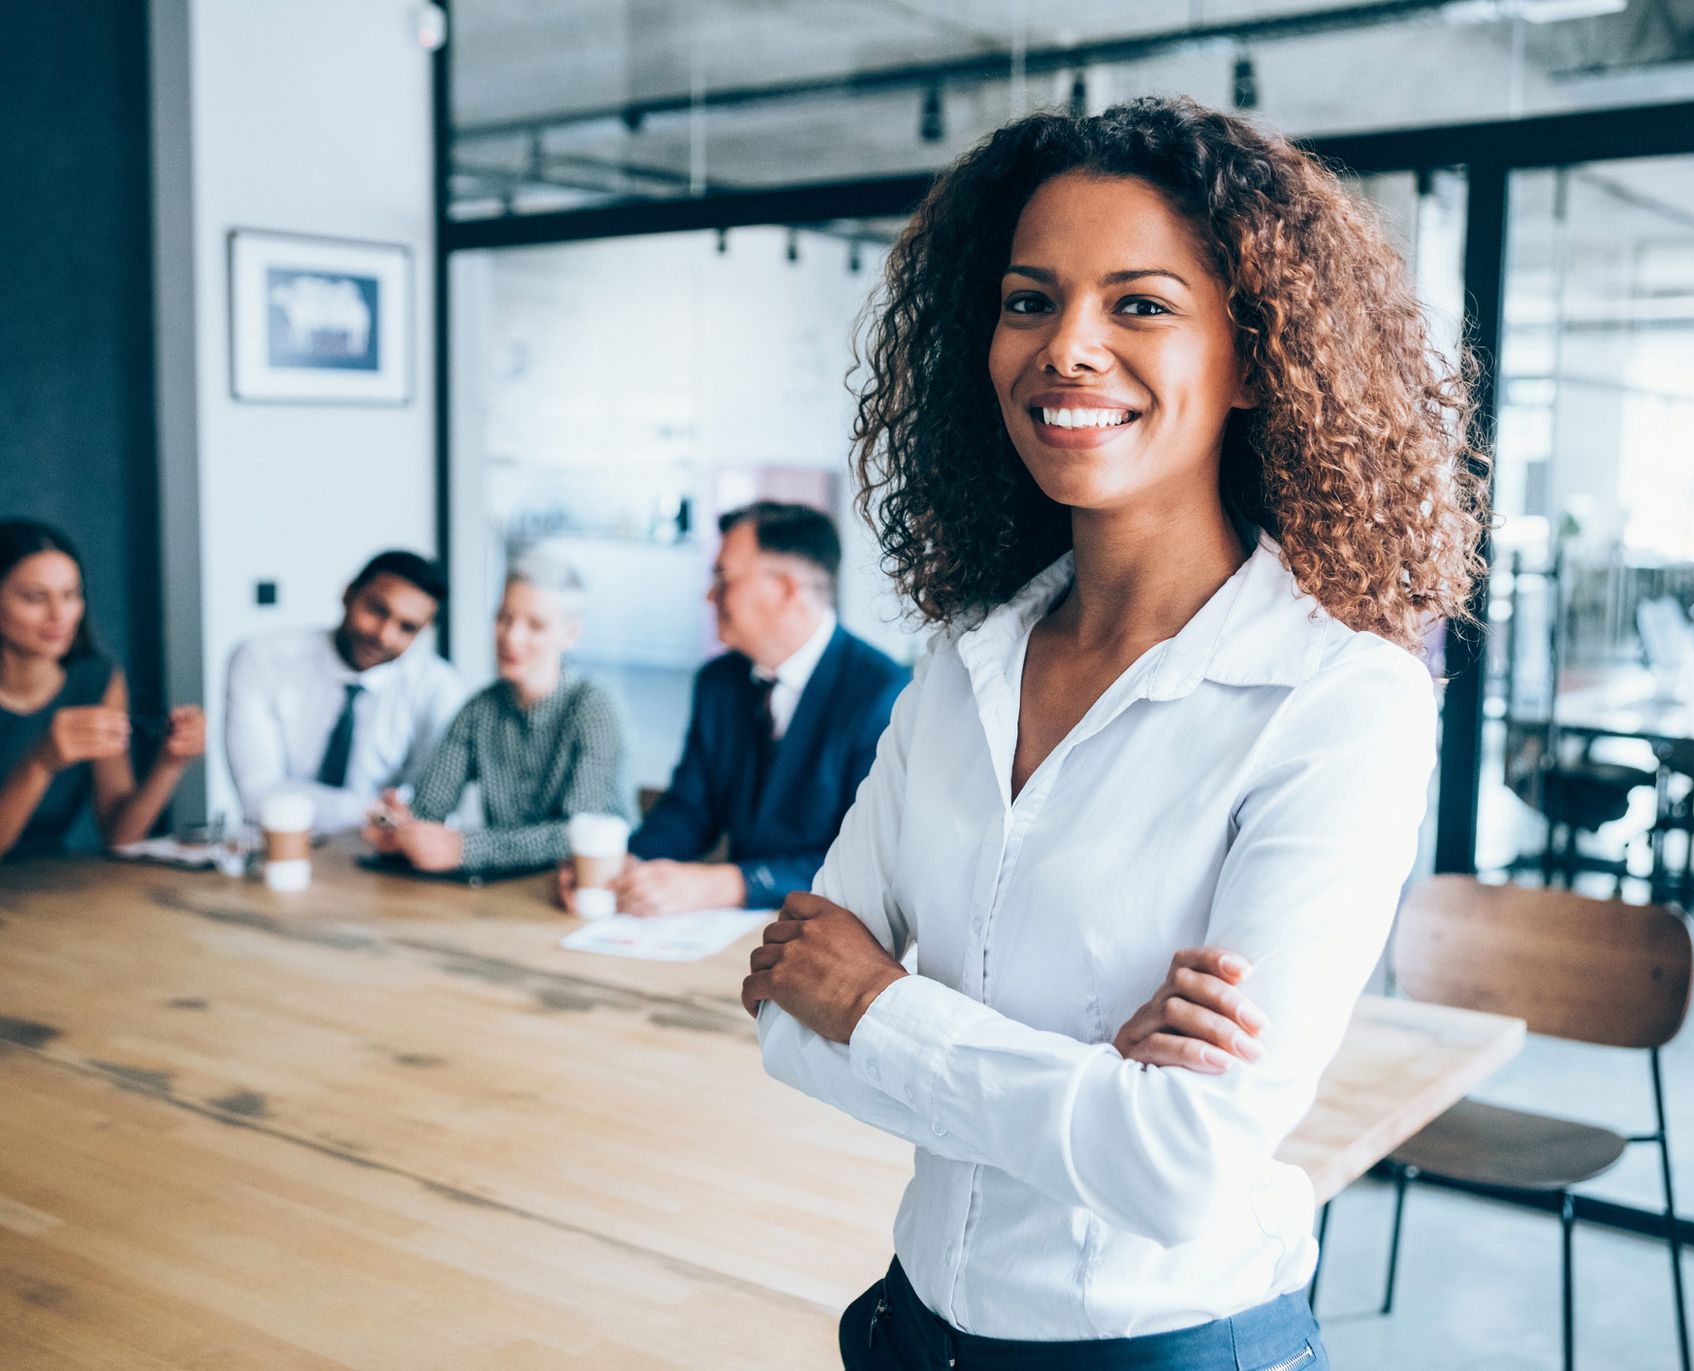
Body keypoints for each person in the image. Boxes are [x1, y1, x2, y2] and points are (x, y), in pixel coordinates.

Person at [739, 98, 1486, 1370]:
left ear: (1256, 357)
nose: (1067, 348)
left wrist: (885, 1001)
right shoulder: (965, 659)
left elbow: (1182, 1168)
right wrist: (1088, 1079)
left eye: (1138, 304)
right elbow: (785, 1017)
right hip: (915, 1331)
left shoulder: (1337, 700)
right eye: (1030, 302)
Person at [556, 502, 907, 916]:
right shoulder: (718, 682)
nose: (709, 595)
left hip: (834, 937)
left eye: (724, 579)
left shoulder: (884, 694)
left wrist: (728, 884)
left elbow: (872, 863)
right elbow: (690, 808)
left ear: (788, 590)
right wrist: (629, 866)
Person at [364, 553, 631, 874]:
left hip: (588, 889)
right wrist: (401, 828)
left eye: (535, 625)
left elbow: (579, 832)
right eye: (504, 617)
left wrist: (464, 848)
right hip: (508, 895)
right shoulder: (479, 710)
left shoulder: (595, 707)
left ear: (570, 634)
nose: (511, 637)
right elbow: (428, 808)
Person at [0, 520, 207, 861]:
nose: (59, 615)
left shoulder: (97, 679)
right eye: (35, 598)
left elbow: (119, 836)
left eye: (70, 595)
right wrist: (38, 764)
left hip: (54, 887)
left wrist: (171, 761)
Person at [225, 550, 464, 835]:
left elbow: (429, 805)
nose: (384, 635)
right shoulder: (261, 658)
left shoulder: (438, 686)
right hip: (280, 849)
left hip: (386, 859)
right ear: (348, 593)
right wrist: (373, 810)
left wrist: (394, 814)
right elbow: (258, 794)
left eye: (407, 627)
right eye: (377, 610)